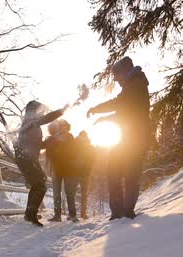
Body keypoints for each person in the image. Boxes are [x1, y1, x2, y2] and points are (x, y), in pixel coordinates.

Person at [87, 57, 150, 220]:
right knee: (117, 171)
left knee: (128, 174)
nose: (115, 80)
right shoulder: (134, 84)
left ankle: (125, 213)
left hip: (134, 139)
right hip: (129, 138)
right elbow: (124, 111)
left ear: (124, 72)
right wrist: (103, 118)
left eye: (116, 76)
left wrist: (97, 111)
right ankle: (120, 211)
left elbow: (119, 105)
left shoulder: (135, 85)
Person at [14, 100, 65, 226]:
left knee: (38, 183)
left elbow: (36, 145)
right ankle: (30, 215)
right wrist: (60, 111)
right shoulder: (30, 122)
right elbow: (45, 119)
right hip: (25, 158)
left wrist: (49, 142)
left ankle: (29, 213)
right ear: (33, 111)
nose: (42, 113)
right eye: (39, 111)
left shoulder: (32, 125)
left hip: (29, 158)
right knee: (40, 184)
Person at [42, 119, 79, 222]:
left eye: (64, 126)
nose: (62, 128)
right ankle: (57, 215)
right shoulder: (51, 139)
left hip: (69, 170)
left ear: (67, 127)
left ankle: (72, 214)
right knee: (56, 193)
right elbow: (40, 145)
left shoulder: (70, 138)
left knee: (69, 193)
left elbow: (74, 152)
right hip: (56, 169)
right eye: (60, 126)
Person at [74, 131, 95, 219]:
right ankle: (73, 213)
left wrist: (88, 168)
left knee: (84, 194)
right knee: (73, 193)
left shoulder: (90, 147)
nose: (83, 138)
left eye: (84, 137)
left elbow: (92, 159)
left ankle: (83, 213)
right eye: (81, 137)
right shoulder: (74, 146)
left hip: (85, 173)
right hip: (75, 173)